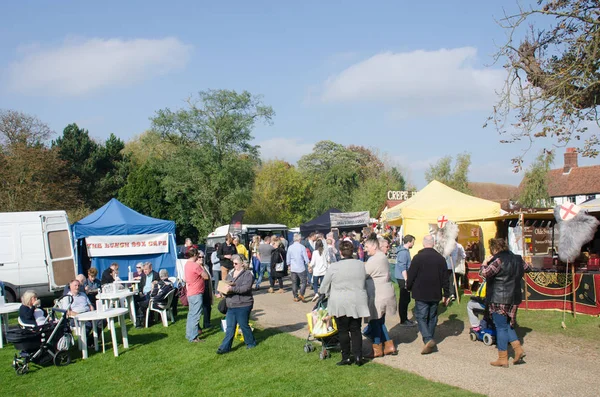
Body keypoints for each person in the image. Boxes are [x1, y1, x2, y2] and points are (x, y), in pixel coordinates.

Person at [319, 240, 370, 366]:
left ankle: (346, 357)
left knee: (343, 330)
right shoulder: (360, 264)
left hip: (340, 300)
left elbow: (324, 285)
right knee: (356, 329)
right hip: (356, 300)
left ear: (340, 252)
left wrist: (323, 292)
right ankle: (358, 356)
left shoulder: (334, 267)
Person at [481, 238, 530, 367]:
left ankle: (503, 358)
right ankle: (518, 349)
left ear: (494, 249)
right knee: (508, 324)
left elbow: (484, 273)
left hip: (499, 298)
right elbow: (528, 268)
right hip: (514, 297)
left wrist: (484, 263)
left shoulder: (497, 260)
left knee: (501, 327)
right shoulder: (518, 259)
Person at [407, 235, 450, 355]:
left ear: (423, 243)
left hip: (421, 292)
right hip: (435, 292)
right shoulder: (440, 258)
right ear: (434, 243)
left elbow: (411, 275)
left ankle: (428, 339)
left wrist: (408, 287)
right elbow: (445, 278)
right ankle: (429, 338)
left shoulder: (418, 258)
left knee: (421, 316)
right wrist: (446, 293)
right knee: (432, 316)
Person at [364, 234, 397, 357]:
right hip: (385, 291)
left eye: (367, 246)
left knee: (375, 321)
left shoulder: (374, 259)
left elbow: (363, 274)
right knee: (380, 321)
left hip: (378, 294)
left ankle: (377, 349)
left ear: (373, 246)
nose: (365, 249)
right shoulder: (381, 256)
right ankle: (389, 346)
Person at [217, 254, 256, 354]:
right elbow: (226, 284)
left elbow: (245, 288)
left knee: (244, 325)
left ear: (242, 264)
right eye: (233, 263)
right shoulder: (231, 273)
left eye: (236, 263)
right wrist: (222, 290)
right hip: (231, 304)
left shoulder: (248, 274)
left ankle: (251, 343)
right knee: (230, 327)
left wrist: (232, 289)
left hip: (243, 304)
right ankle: (224, 347)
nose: (234, 265)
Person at [62, 279, 98, 345]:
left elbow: (90, 305)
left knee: (102, 321)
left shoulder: (83, 294)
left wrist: (93, 311)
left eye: (78, 285)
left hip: (88, 314)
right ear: (70, 286)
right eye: (75, 285)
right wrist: (79, 315)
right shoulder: (67, 297)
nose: (77, 287)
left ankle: (90, 339)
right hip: (76, 318)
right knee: (88, 324)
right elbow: (67, 312)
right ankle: (84, 343)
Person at [185, 248, 209, 343]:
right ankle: (194, 337)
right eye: (198, 256)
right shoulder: (195, 265)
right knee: (195, 315)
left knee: (191, 315)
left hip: (190, 292)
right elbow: (206, 276)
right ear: (195, 255)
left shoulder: (187, 264)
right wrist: (202, 267)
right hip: (196, 293)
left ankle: (189, 334)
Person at [395, 235, 416, 326]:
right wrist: (407, 279)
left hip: (402, 277)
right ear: (409, 242)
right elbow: (402, 266)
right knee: (404, 299)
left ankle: (405, 319)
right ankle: (403, 320)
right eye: (413, 242)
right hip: (402, 278)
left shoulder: (405, 251)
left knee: (406, 299)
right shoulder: (403, 253)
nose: (413, 243)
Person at [286, 233, 309, 302]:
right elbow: (305, 257)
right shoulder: (302, 247)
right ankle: (301, 294)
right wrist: (308, 264)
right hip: (301, 267)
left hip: (293, 267)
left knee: (294, 282)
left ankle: (295, 296)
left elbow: (288, 257)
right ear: (299, 239)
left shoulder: (290, 247)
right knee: (304, 281)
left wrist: (288, 265)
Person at [198, 250, 213, 330]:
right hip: (199, 291)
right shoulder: (196, 267)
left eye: (202, 257)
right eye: (199, 257)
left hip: (207, 290)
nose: (201, 258)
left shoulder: (205, 266)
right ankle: (197, 327)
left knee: (208, 307)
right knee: (198, 310)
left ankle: (207, 323)